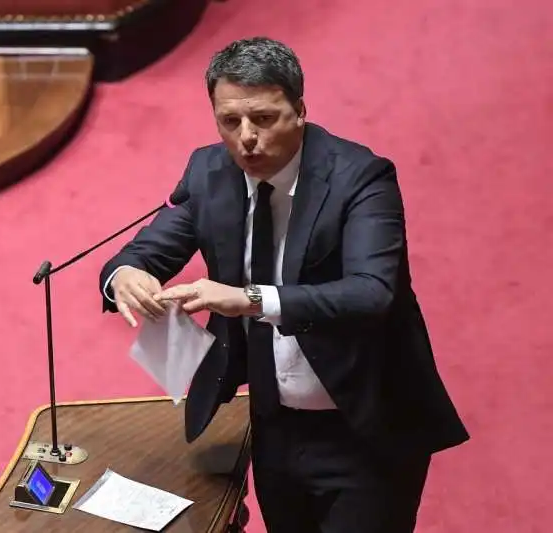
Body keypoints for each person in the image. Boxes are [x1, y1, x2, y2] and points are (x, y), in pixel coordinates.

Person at [98, 37, 469, 533]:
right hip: (276, 426)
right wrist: (126, 276)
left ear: (299, 110)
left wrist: (250, 299)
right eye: (230, 122)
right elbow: (143, 253)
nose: (246, 138)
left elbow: (372, 291)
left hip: (365, 426)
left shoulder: (361, 178)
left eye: (264, 119)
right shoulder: (210, 172)